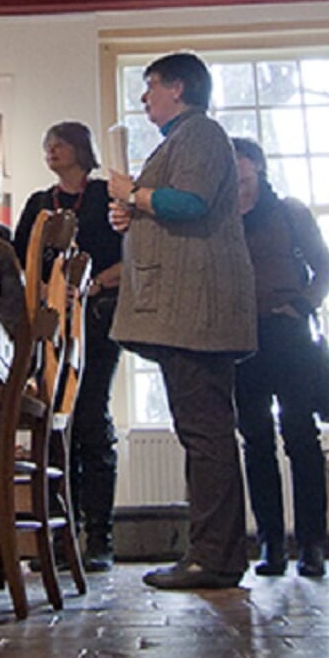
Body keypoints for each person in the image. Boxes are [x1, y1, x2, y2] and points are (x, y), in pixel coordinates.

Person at [107, 52, 256, 591]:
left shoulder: (200, 133)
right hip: (190, 312)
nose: (145, 98)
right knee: (203, 431)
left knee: (206, 432)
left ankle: (214, 558)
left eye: (151, 86)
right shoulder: (183, 140)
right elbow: (168, 204)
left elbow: (189, 202)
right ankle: (211, 553)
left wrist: (135, 195)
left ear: (178, 87)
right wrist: (134, 209)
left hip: (198, 312)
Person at [14, 122, 124, 570]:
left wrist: (94, 285)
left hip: (97, 323)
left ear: (81, 148)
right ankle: (61, 536)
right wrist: (47, 294)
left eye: (59, 143)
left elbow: (129, 255)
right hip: (51, 329)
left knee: (92, 421)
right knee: (56, 427)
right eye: (47, 144)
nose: (51, 150)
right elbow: (21, 262)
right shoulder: (38, 205)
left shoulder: (103, 198)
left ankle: (99, 538)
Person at [230, 137, 329, 579]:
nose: (235, 170)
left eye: (241, 162)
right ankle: (271, 543)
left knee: (300, 436)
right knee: (255, 442)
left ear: (257, 165)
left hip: (288, 333)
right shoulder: (221, 218)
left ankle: (312, 543)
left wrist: (304, 304)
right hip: (241, 338)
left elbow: (325, 267)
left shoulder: (289, 211)